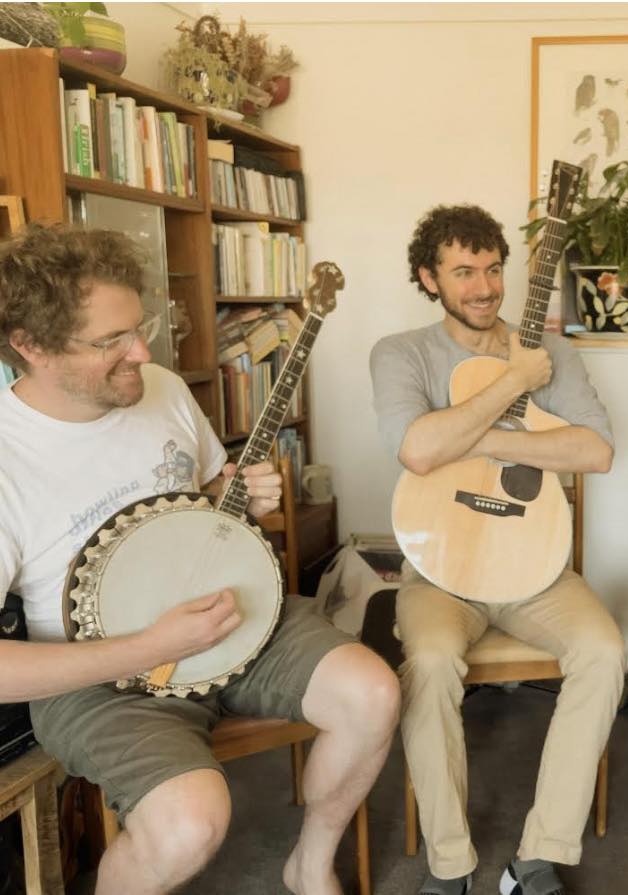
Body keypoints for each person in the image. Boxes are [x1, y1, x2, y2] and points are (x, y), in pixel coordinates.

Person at [0, 225, 400, 895]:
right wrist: (152, 644)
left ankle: (310, 863)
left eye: (140, 325)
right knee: (190, 825)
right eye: (110, 342)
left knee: (374, 693)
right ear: (31, 346)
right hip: (100, 678)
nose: (142, 350)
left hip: (233, 611)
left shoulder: (158, 387)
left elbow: (209, 492)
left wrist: (242, 494)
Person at [369, 204, 625, 895]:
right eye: (463, 271)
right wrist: (514, 382)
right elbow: (418, 448)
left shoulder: (554, 351)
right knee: (428, 658)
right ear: (429, 277)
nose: (483, 286)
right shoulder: (402, 353)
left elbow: (594, 451)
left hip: (535, 569)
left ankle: (539, 852)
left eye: (491, 268)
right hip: (440, 570)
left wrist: (481, 439)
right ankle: (449, 864)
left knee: (604, 651)